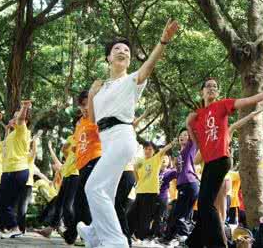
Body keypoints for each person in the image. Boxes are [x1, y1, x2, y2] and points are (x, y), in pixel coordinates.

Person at [78, 19, 180, 248]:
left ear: (129, 59)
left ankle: (115, 242)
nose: (122, 52)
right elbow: (93, 120)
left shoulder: (131, 80)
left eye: (126, 50)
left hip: (122, 137)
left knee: (93, 187)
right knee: (105, 190)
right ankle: (94, 232)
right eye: (117, 49)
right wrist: (93, 95)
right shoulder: (101, 86)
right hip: (106, 141)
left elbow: (148, 67)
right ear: (108, 57)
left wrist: (163, 40)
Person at [186, 77, 263, 248]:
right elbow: (198, 145)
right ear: (201, 91)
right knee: (204, 204)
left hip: (221, 159)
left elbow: (248, 100)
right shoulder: (199, 116)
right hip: (209, 162)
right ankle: (194, 242)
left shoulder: (222, 105)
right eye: (208, 86)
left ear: (218, 92)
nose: (211, 88)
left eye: (215, 86)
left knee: (205, 204)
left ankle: (219, 245)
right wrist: (188, 125)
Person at [62, 91, 102, 245]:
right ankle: (74, 233)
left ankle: (79, 234)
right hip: (82, 165)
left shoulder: (97, 119)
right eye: (83, 105)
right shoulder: (80, 123)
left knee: (84, 200)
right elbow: (78, 142)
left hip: (96, 160)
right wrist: (76, 150)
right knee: (80, 201)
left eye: (88, 104)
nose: (86, 108)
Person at [0, 100, 32, 239]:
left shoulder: (23, 130)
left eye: (17, 115)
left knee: (3, 202)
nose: (14, 117)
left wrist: (24, 107)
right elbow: (6, 146)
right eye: (13, 115)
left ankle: (14, 228)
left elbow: (21, 119)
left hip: (17, 171)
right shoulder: (13, 134)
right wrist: (7, 129)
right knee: (5, 202)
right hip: (9, 171)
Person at [128, 141, 174, 245]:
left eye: (150, 149)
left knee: (145, 217)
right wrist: (135, 169)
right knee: (131, 214)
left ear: (153, 151)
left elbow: (163, 150)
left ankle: (142, 239)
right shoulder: (140, 161)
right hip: (140, 192)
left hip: (151, 193)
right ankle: (129, 236)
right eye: (145, 148)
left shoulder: (156, 159)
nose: (147, 151)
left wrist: (171, 144)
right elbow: (137, 179)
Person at [159, 129, 199, 245]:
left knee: (180, 215)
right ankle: (169, 238)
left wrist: (190, 123)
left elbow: (193, 133)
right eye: (181, 134)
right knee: (177, 214)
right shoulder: (180, 153)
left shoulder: (191, 147)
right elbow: (178, 172)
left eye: (185, 135)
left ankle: (186, 239)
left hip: (189, 184)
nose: (182, 136)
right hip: (184, 186)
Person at [37, 137, 79, 238]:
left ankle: (73, 231)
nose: (53, 165)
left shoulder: (65, 164)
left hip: (75, 176)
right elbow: (64, 150)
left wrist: (50, 148)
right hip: (67, 177)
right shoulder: (66, 162)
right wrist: (66, 146)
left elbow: (55, 158)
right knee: (59, 205)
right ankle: (50, 229)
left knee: (67, 206)